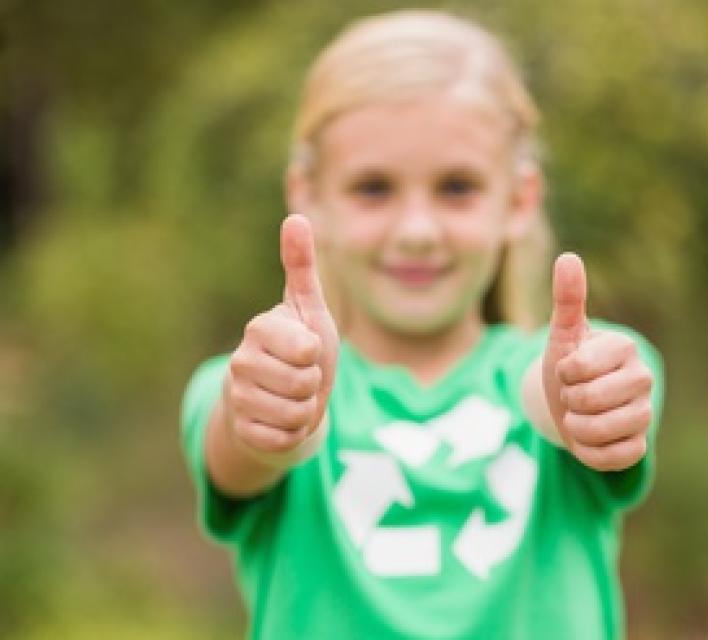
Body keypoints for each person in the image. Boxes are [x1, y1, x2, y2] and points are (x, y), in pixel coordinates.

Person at [180, 9, 664, 639]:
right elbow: (251, 444)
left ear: (518, 201)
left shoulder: (590, 370)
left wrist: (575, 400)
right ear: (307, 197)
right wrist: (279, 417)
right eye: (374, 188)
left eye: (457, 187)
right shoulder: (244, 387)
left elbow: (550, 402)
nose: (416, 230)